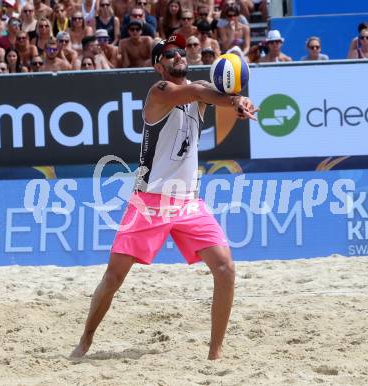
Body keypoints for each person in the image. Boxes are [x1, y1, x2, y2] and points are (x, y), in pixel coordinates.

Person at [70, 33, 258, 361]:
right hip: (149, 201)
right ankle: (86, 339)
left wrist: (237, 102)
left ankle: (215, 353)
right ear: (159, 65)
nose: (178, 56)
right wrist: (232, 99)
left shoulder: (198, 93)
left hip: (186, 202)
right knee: (114, 277)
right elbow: (201, 91)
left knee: (225, 269)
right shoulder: (159, 92)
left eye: (181, 51)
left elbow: (210, 95)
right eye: (170, 54)